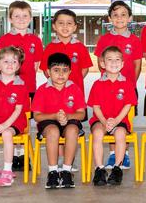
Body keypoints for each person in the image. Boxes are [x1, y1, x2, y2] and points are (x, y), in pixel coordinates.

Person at [0, 1, 43, 171]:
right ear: (10, 18)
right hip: (8, 89)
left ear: (30, 18)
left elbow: (37, 64)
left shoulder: (35, 40)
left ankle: (22, 154)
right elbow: (0, 62)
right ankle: (14, 155)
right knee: (11, 119)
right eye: (17, 16)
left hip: (29, 88)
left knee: (24, 122)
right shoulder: (5, 39)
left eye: (25, 16)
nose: (21, 19)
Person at [94, 1, 141, 169]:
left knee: (123, 121)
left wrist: (130, 85)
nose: (119, 18)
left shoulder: (134, 40)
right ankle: (113, 154)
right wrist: (107, 76)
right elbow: (100, 62)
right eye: (115, 15)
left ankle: (124, 154)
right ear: (110, 18)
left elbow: (137, 65)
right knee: (108, 118)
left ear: (129, 18)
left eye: (123, 15)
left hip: (126, 87)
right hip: (107, 87)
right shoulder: (105, 39)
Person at [33, 53, 86, 189]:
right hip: (49, 121)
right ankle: (53, 171)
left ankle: (67, 171)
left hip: (69, 120)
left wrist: (68, 116)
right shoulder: (42, 90)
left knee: (73, 130)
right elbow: (37, 116)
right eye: (56, 70)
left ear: (70, 72)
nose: (61, 74)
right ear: (48, 72)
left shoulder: (75, 89)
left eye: (65, 70)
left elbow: (81, 114)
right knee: (53, 131)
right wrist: (55, 116)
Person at [88, 46, 137, 186]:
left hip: (119, 120)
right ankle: (99, 169)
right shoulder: (97, 84)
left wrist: (116, 121)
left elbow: (128, 105)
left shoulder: (127, 84)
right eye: (110, 60)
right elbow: (95, 106)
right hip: (100, 120)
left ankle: (117, 168)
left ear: (122, 64)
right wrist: (104, 121)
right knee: (97, 133)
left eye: (117, 60)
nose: (114, 63)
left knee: (120, 134)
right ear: (102, 63)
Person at [0, 46, 30, 187]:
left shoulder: (21, 85)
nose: (10, 65)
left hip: (14, 122)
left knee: (7, 135)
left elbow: (18, 110)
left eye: (14, 61)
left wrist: (5, 126)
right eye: (6, 61)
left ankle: (8, 171)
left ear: (19, 65)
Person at [41, 8, 92, 94]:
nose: (65, 26)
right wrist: (57, 82)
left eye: (69, 23)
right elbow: (46, 70)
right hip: (55, 92)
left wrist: (74, 81)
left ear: (74, 27)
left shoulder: (81, 47)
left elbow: (85, 69)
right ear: (54, 26)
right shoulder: (49, 48)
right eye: (61, 23)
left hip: (76, 93)